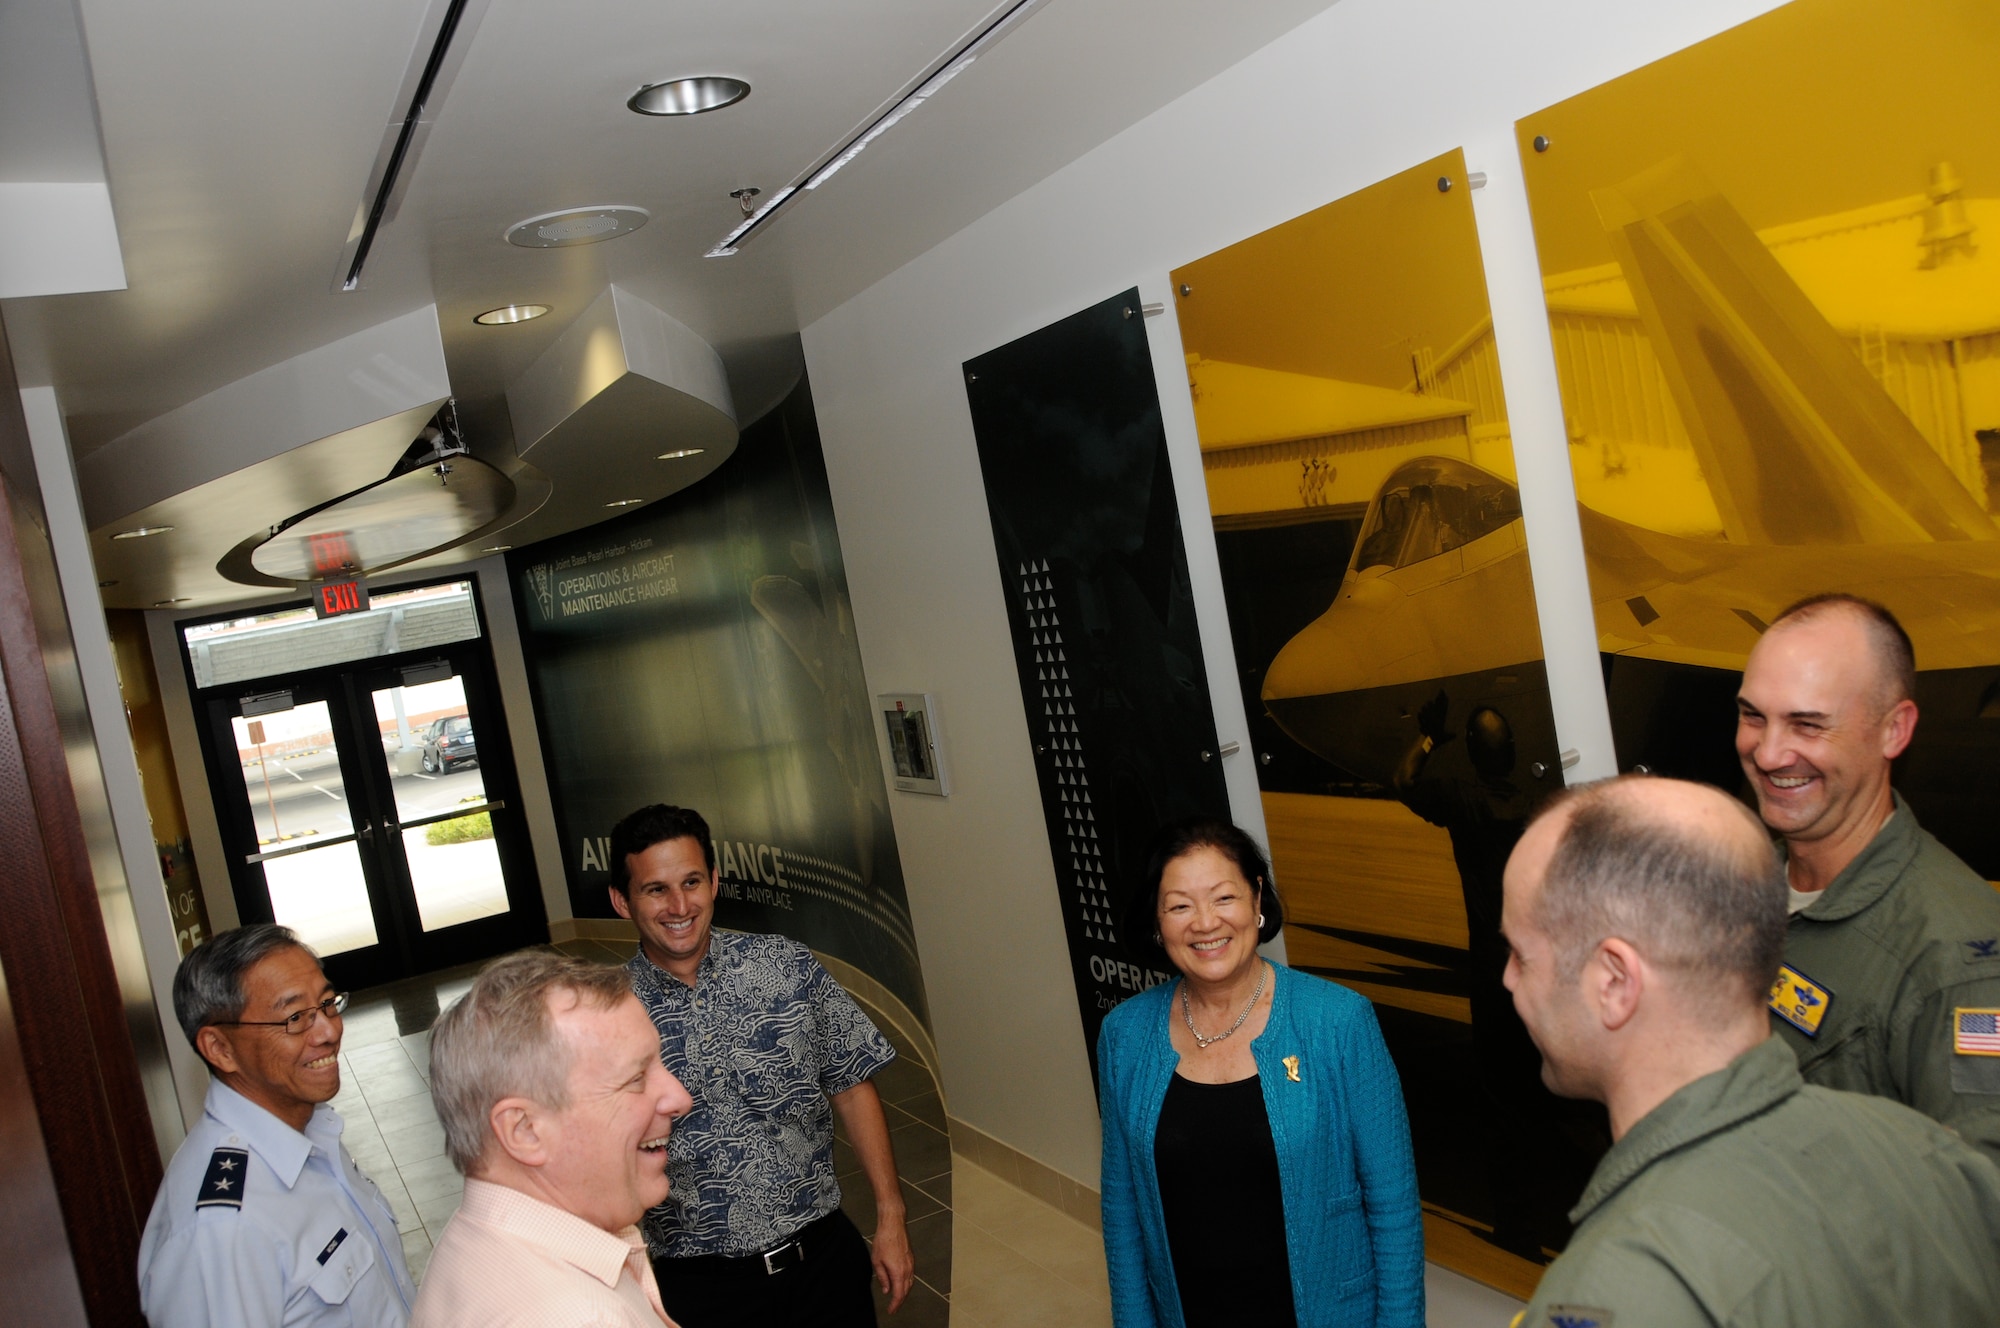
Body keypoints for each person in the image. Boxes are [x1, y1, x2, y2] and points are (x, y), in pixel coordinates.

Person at [1503, 775, 2000, 1327]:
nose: (1507, 980)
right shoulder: (1936, 1157)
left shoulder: (1622, 1285)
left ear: (1616, 982)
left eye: (1522, 956)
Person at [1099, 817, 1424, 1328]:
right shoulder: (1126, 1034)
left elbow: (1394, 1209)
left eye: (1223, 898)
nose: (1205, 923)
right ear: (1157, 923)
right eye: (1180, 905)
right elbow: (1123, 1214)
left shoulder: (1338, 1021)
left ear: (1255, 899)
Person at [607, 804, 913, 1328]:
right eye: (656, 889)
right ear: (621, 900)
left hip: (824, 1268)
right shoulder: (606, 1015)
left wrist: (891, 1215)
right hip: (700, 1294)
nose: (679, 905)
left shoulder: (786, 967)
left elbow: (850, 1084)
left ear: (715, 882)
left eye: (692, 881)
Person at [1735, 593, 2000, 1161]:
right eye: (1753, 715)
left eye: (1807, 724)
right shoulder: (1735, 884)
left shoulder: (1958, 962)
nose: (1769, 751)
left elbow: (1980, 1209)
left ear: (1893, 731)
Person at [138, 925, 416, 1328]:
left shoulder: (309, 1129)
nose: (329, 1031)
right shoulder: (222, 1230)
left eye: (327, 1003)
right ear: (219, 1048)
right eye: (295, 1017)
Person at [412, 950, 695, 1327]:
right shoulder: (584, 1318)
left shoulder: (475, 1242)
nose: (680, 1098)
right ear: (525, 1131)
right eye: (636, 1079)